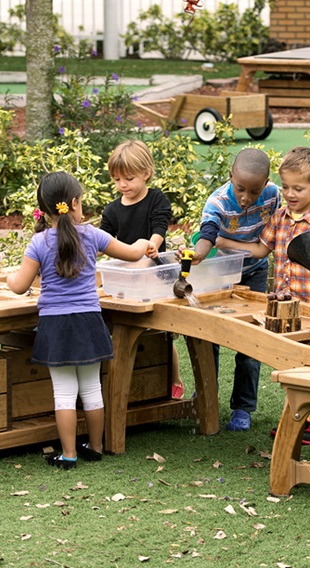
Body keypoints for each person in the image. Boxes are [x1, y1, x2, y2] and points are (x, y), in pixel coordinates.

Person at [7, 171, 151, 469]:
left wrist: (8, 276)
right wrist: (147, 242)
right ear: (74, 203)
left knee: (64, 394)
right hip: (88, 321)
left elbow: (19, 285)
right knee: (91, 389)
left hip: (55, 326)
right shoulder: (93, 235)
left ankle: (69, 454)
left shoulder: (38, 242)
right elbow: (133, 253)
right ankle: (96, 447)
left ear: (45, 209)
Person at [218, 146, 310, 445]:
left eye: (298, 188)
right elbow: (259, 250)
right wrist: (223, 240)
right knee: (292, 361)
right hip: (286, 305)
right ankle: (298, 418)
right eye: (286, 187)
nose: (290, 194)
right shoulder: (279, 217)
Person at [189, 148, 281, 432]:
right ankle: (206, 398)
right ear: (231, 176)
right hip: (218, 273)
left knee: (250, 343)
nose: (245, 197)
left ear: (265, 184)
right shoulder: (217, 202)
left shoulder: (274, 195)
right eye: (240, 189)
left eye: (254, 191)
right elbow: (207, 234)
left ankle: (243, 407)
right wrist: (196, 255)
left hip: (254, 271)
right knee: (210, 338)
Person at [99, 140, 185, 399]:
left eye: (128, 178)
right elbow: (103, 240)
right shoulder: (112, 210)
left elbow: (159, 229)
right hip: (125, 276)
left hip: (154, 273)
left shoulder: (156, 199)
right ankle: (130, 383)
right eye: (116, 179)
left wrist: (150, 249)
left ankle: (175, 378)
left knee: (160, 333)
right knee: (125, 328)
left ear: (146, 173)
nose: (122, 185)